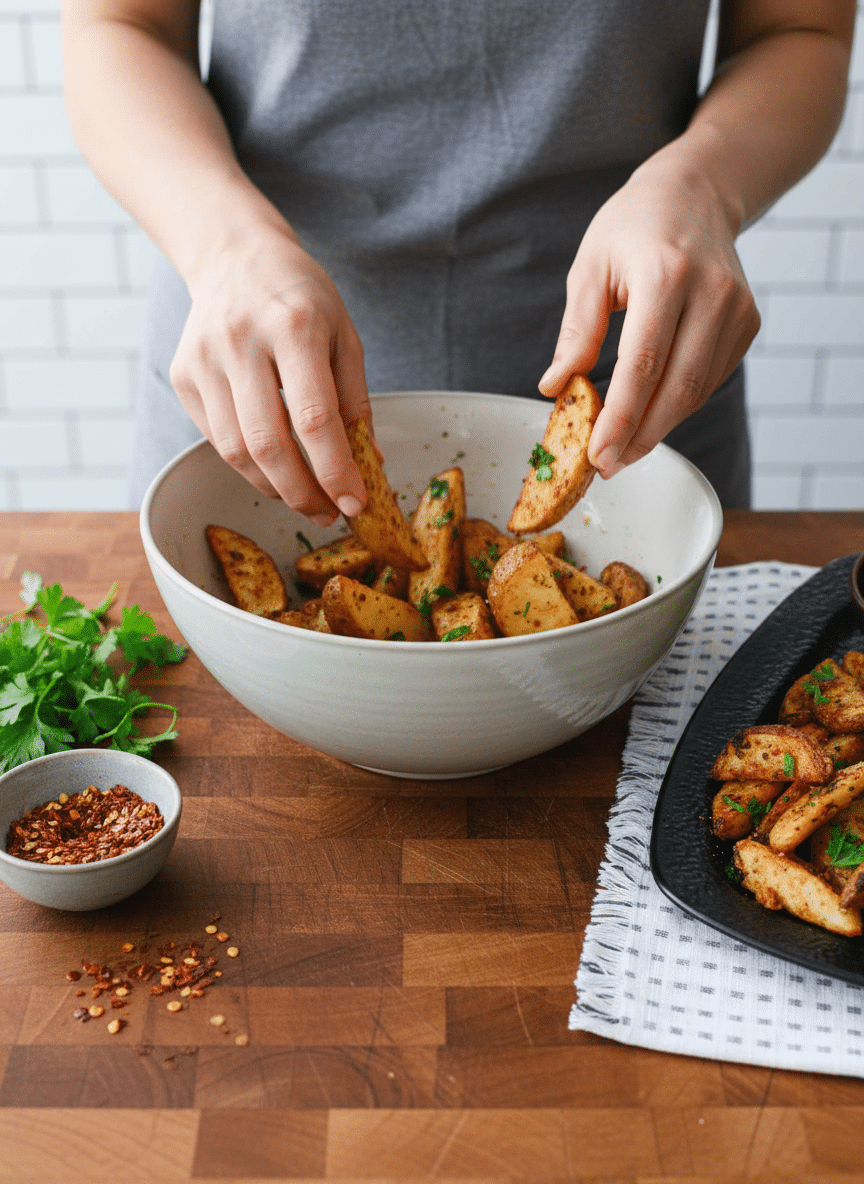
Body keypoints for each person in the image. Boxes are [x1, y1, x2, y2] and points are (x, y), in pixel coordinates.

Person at [62, 1, 855, 516]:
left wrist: (704, 184)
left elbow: (801, 30)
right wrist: (226, 246)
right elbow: (118, 26)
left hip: (641, 383)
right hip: (252, 380)